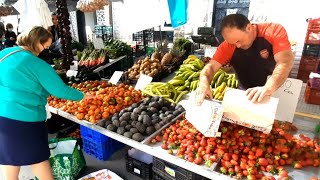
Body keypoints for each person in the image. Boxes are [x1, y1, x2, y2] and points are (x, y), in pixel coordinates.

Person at [0, 26, 93, 180]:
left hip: (3, 116)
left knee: (10, 157)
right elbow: (60, 90)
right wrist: (83, 96)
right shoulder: (35, 63)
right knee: (38, 159)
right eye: (46, 46)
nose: (46, 50)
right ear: (37, 42)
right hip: (26, 119)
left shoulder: (5, 53)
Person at [196, 14, 293, 104]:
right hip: (245, 92)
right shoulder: (228, 45)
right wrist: (203, 82)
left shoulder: (273, 31)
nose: (237, 45)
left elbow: (284, 61)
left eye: (238, 40)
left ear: (249, 28)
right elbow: (211, 67)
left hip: (276, 88)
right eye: (233, 43)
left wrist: (269, 87)